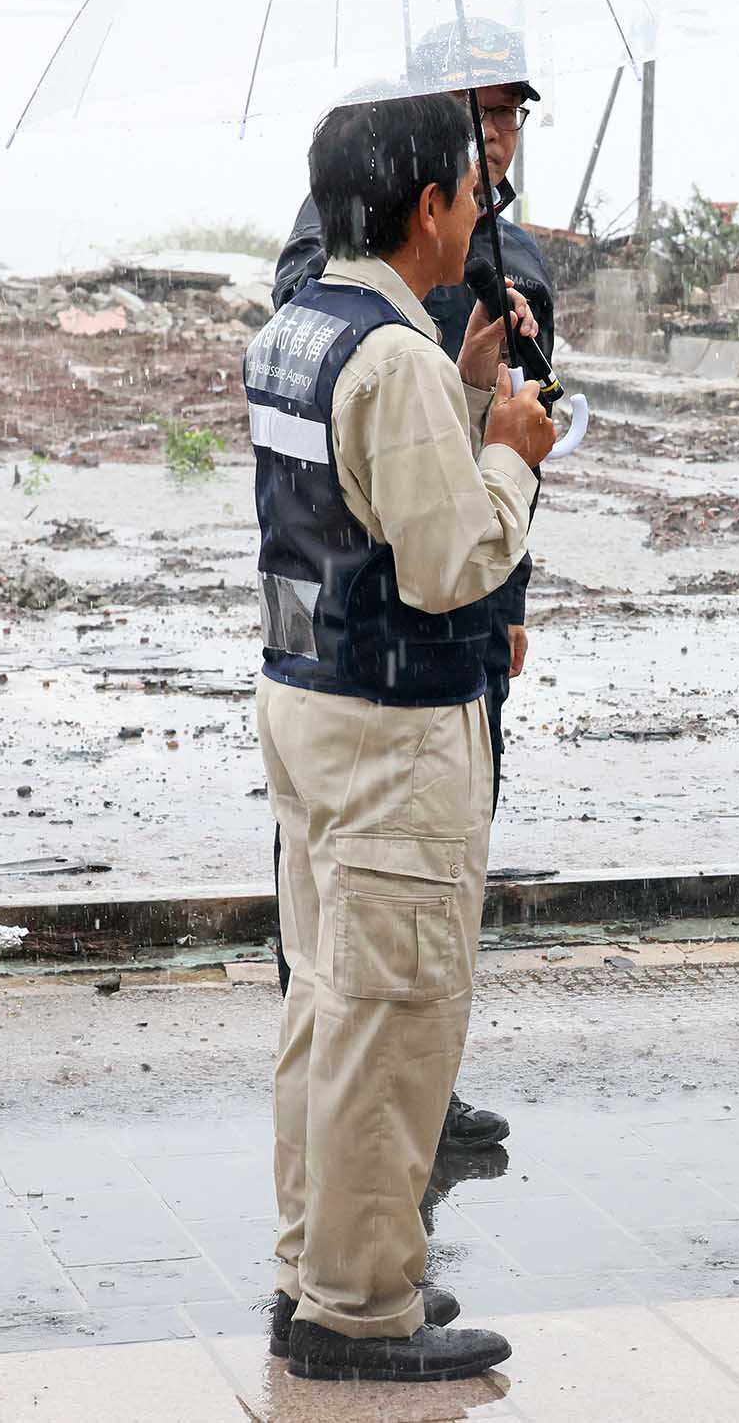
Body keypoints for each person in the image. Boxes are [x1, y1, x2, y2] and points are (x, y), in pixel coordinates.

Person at [251, 91, 556, 1383]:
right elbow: (451, 562)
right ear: (426, 206)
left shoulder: (299, 330)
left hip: (309, 701)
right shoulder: (394, 360)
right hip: (396, 730)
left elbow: (350, 500)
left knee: (325, 1008)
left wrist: (465, 388)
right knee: (393, 1018)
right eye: (470, 189)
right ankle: (360, 1308)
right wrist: (513, 450)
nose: (484, 207)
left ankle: (310, 1266)